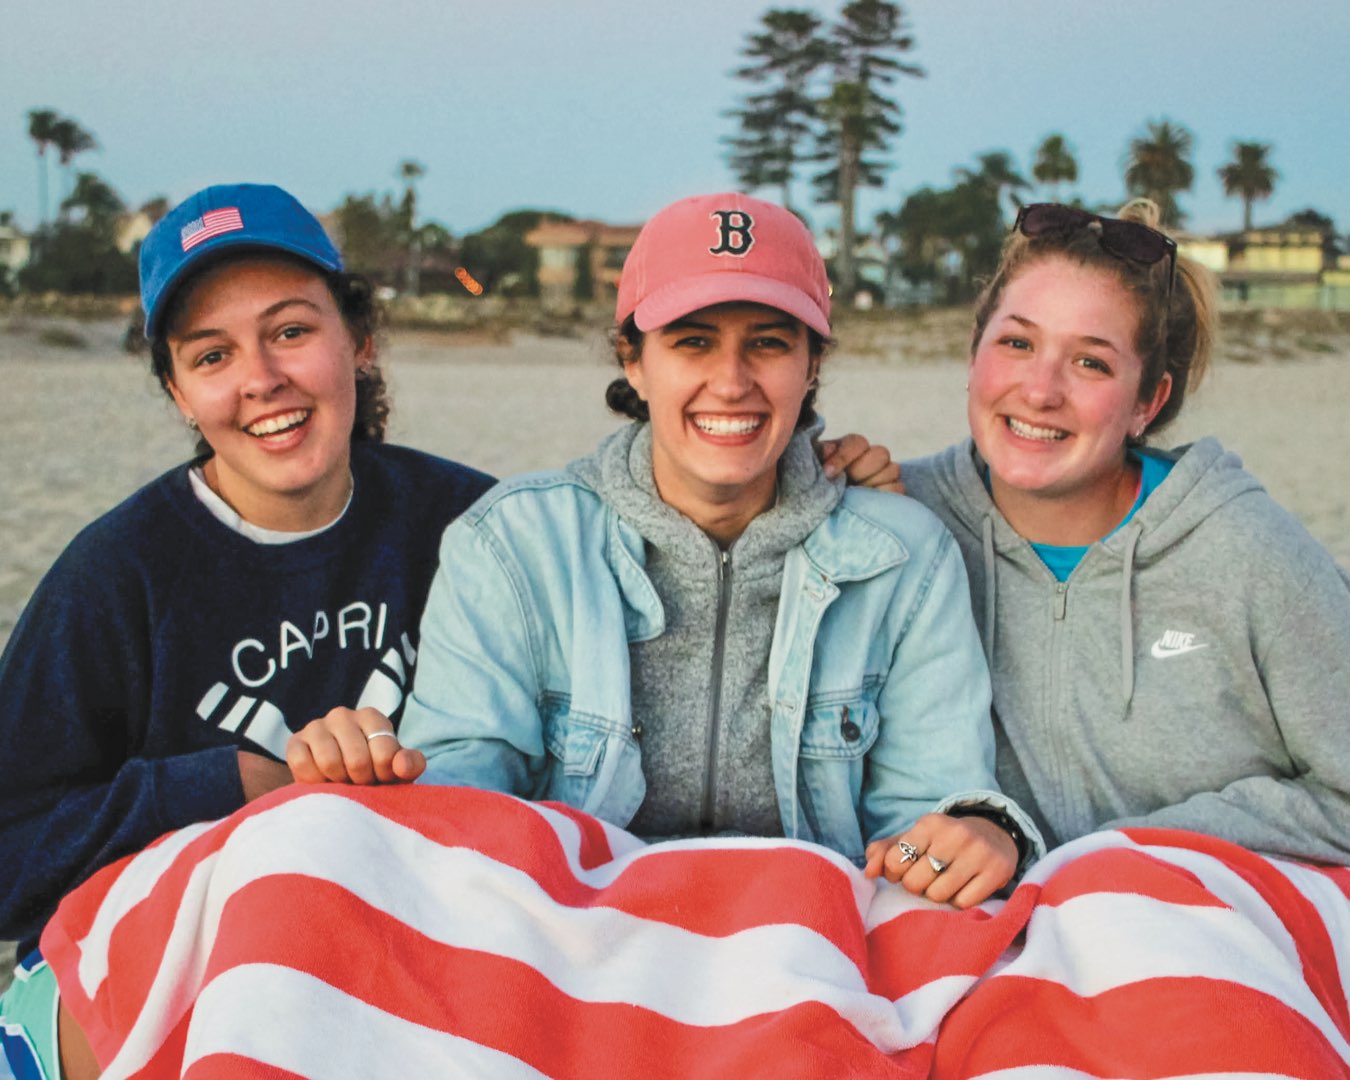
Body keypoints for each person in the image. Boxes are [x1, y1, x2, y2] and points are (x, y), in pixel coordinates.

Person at [289, 192, 1043, 906]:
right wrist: (379, 775)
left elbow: (922, 817)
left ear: (812, 365)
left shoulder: (905, 558)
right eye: (692, 342)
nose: (732, 381)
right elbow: (466, 782)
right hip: (577, 947)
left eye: (770, 344)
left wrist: (976, 832)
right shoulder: (514, 543)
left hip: (812, 950)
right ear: (633, 360)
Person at [0, 183, 499, 1078]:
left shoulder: (468, 522)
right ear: (179, 393)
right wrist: (238, 781)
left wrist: (827, 471)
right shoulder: (117, 575)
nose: (261, 379)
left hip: (408, 955)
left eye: (292, 332)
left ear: (360, 341)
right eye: (212, 355)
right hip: (162, 974)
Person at [900, 200, 1350, 864]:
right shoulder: (901, 522)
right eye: (1017, 343)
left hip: (1201, 930)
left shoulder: (1248, 549)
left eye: (1092, 363)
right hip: (1004, 946)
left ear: (1149, 402)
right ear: (974, 356)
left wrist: (1128, 850)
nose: (1040, 391)